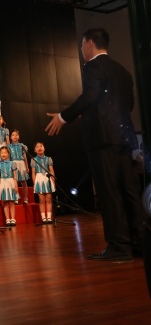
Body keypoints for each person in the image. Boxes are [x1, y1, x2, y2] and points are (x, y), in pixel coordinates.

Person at [45, 28, 143, 261]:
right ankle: (139, 243)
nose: (81, 50)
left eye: (82, 45)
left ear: (89, 43)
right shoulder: (122, 70)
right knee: (129, 191)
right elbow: (127, 104)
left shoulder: (92, 66)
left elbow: (90, 95)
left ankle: (119, 245)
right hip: (123, 137)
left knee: (109, 192)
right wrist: (93, 112)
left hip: (102, 138)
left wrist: (63, 117)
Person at [31, 142, 55, 225]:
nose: (39, 148)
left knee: (48, 199)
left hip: (47, 178)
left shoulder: (48, 159)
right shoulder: (34, 160)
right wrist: (35, 183)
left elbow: (51, 170)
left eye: (41, 146)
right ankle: (43, 217)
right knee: (41, 200)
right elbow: (33, 173)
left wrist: (53, 181)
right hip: (39, 178)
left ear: (44, 148)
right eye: (37, 147)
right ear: (35, 150)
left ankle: (49, 217)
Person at [0, 146, 17, 226]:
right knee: (5, 202)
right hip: (3, 182)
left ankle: (13, 218)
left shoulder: (12, 163)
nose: (3, 154)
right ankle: (7, 219)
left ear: (8, 154)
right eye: (1, 153)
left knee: (12, 202)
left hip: (11, 182)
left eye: (5, 152)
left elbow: (15, 176)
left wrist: (15, 185)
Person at [8, 130, 29, 205]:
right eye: (13, 135)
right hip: (13, 163)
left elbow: (25, 157)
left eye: (16, 135)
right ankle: (16, 198)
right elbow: (9, 158)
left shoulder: (22, 146)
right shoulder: (9, 147)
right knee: (15, 181)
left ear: (19, 136)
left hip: (21, 163)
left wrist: (27, 167)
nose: (15, 136)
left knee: (24, 182)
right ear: (10, 137)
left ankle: (25, 198)